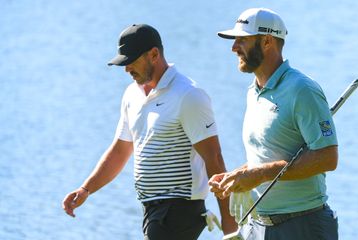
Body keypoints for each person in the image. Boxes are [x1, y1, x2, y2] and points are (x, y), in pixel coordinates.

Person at [62, 24, 237, 240]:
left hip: (179, 207)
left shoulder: (189, 95)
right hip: (151, 209)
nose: (126, 69)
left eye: (131, 61)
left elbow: (214, 159)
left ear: (154, 54)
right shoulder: (131, 94)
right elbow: (120, 149)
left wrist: (230, 225)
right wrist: (86, 189)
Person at [209, 8, 339, 240]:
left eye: (242, 40)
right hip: (258, 226)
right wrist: (238, 176)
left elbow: (327, 157)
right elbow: (267, 155)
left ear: (267, 41)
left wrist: (260, 174)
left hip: (303, 225)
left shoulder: (302, 89)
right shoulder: (253, 91)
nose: (234, 47)